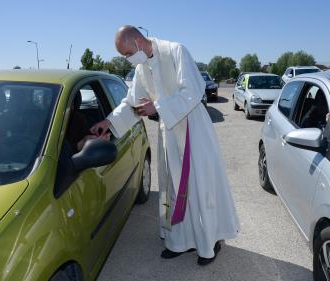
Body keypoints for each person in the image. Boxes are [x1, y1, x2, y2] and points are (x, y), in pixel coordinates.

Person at [90, 25, 239, 265]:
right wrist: (108, 122)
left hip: (193, 129)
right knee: (173, 187)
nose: (128, 60)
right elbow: (132, 103)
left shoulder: (176, 51)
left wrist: (156, 107)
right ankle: (178, 242)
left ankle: (209, 242)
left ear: (139, 41)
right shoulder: (142, 67)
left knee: (200, 188)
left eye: (128, 53)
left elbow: (193, 91)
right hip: (169, 132)